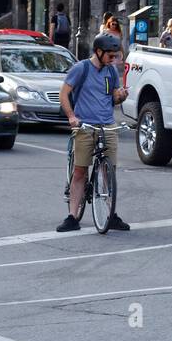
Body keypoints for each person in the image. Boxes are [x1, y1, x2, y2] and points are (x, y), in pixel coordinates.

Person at [57, 32, 130, 233]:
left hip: (107, 125)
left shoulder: (112, 71)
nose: (114, 59)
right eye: (110, 55)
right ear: (98, 52)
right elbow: (64, 93)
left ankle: (111, 214)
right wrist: (72, 116)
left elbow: (114, 97)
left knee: (109, 171)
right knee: (80, 171)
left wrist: (121, 96)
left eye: (116, 56)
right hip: (85, 125)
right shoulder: (81, 68)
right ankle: (72, 216)